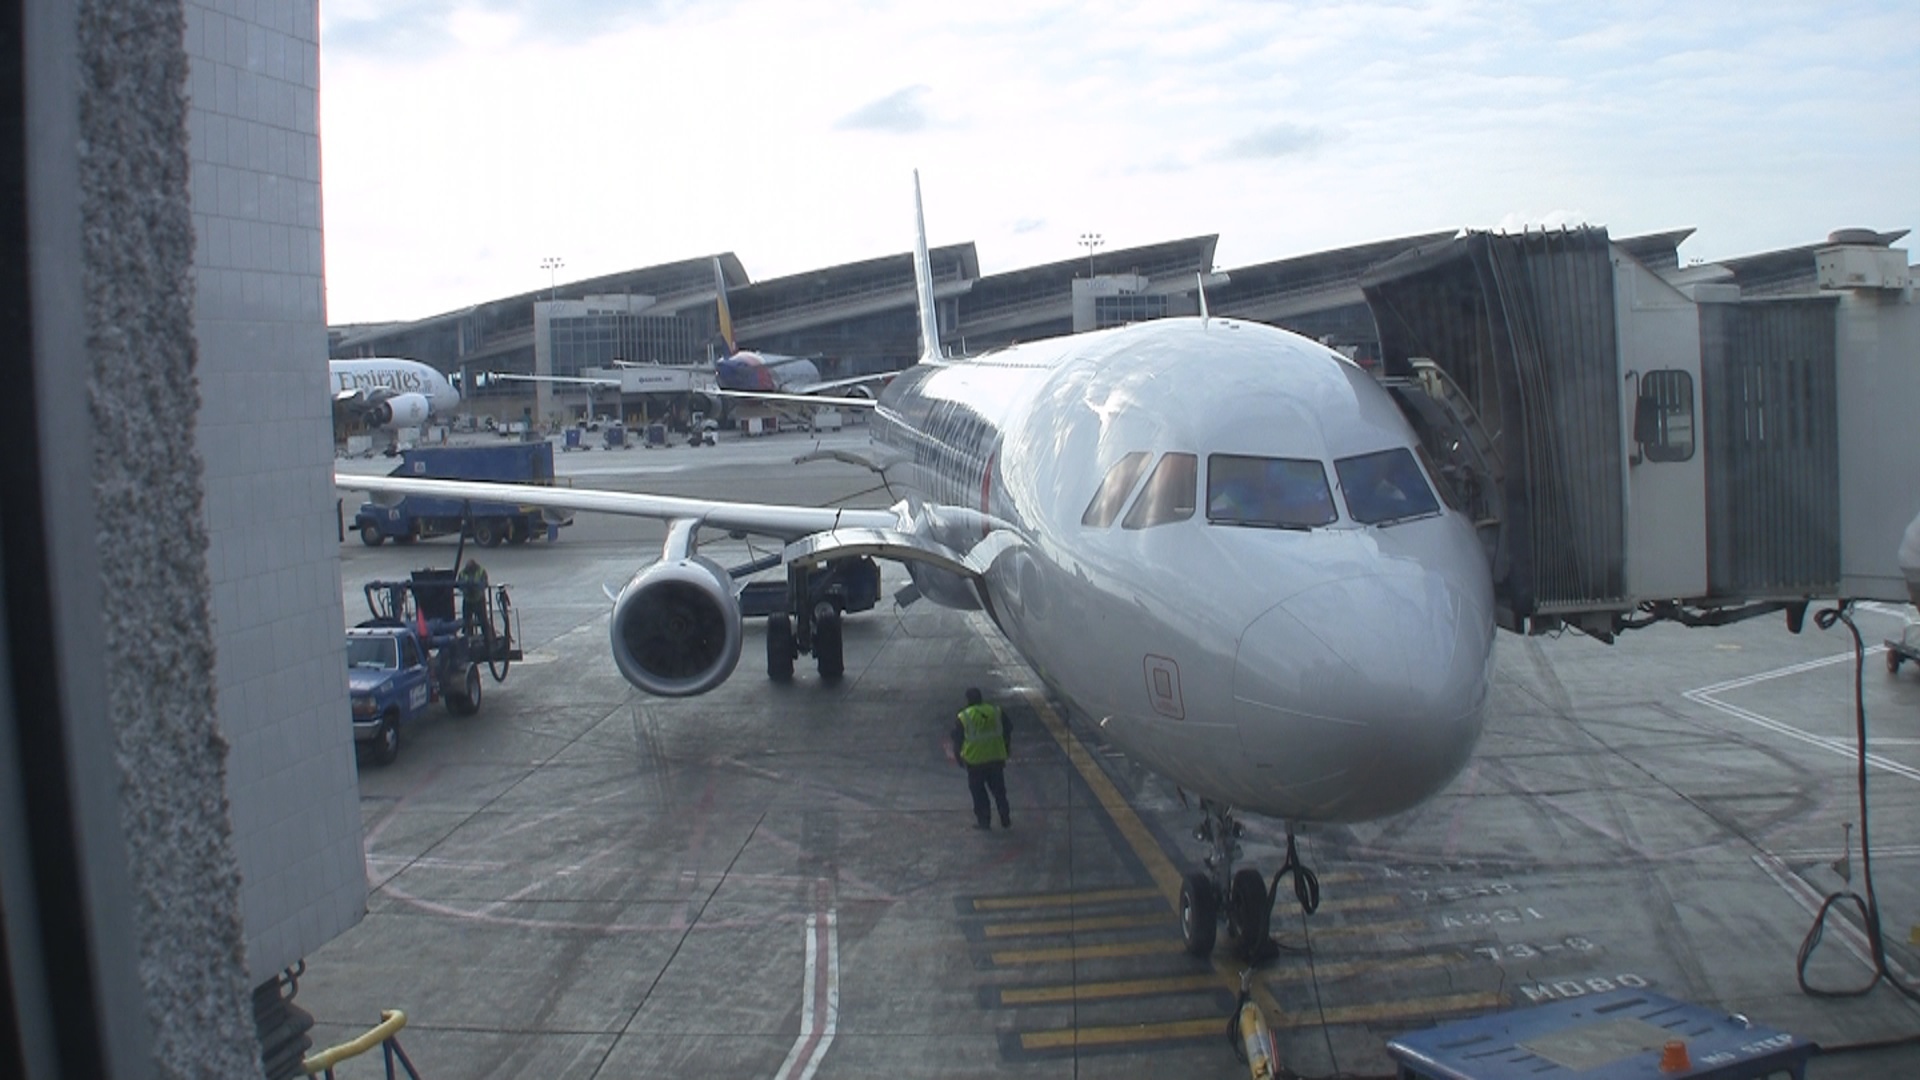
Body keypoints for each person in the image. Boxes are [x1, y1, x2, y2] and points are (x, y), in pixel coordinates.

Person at [951, 688, 1012, 830]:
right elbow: (1008, 728)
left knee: (978, 792)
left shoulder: (964, 717)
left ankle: (984, 821)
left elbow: (957, 739)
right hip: (996, 758)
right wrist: (1006, 748)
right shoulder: (995, 711)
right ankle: (1005, 817)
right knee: (999, 790)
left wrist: (958, 758)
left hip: (975, 761)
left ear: (968, 700)